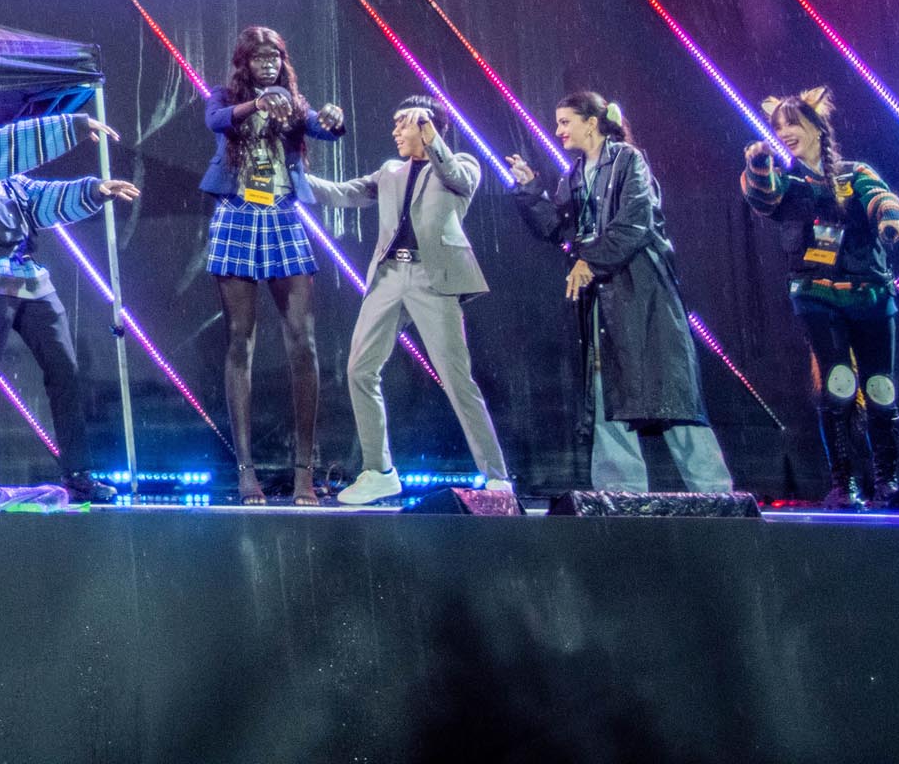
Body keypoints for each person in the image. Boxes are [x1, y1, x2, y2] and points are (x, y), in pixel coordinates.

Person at [0, 57, 136, 503]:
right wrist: (72, 126)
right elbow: (5, 144)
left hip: (28, 277)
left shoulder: (6, 179)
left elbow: (40, 198)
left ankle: (79, 473)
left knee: (65, 369)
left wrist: (93, 189)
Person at [510, 91, 734, 495]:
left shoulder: (629, 161)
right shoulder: (574, 175)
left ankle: (714, 493)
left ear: (591, 123)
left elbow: (635, 222)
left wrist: (590, 260)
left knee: (670, 394)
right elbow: (560, 230)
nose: (558, 130)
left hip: (642, 293)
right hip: (601, 300)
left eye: (565, 122)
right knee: (604, 391)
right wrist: (530, 191)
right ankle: (620, 494)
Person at [313, 98, 513, 504]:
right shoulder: (390, 171)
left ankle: (496, 475)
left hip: (432, 278)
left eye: (402, 125)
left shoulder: (462, 164)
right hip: (389, 275)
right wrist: (295, 179)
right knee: (360, 369)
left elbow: (457, 178)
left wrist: (431, 136)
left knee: (456, 378)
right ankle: (379, 471)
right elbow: (346, 193)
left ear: (425, 127)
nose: (395, 132)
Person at [742, 87, 899, 509]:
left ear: (817, 128)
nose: (785, 133)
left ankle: (887, 482)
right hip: (816, 293)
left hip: (869, 290)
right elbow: (762, 194)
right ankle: (844, 485)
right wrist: (758, 164)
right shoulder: (788, 183)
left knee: (880, 387)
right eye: (779, 127)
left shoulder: (854, 173)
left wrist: (892, 221)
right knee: (838, 382)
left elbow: (880, 196)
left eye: (793, 124)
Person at [200, 26, 345, 502]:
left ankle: (304, 469)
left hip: (282, 213)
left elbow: (324, 128)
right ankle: (247, 472)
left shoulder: (294, 104)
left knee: (303, 341)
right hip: (238, 213)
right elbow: (216, 120)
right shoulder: (226, 97)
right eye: (259, 57)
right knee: (240, 340)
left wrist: (332, 119)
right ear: (244, 62)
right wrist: (258, 105)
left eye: (275, 56)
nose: (268, 64)